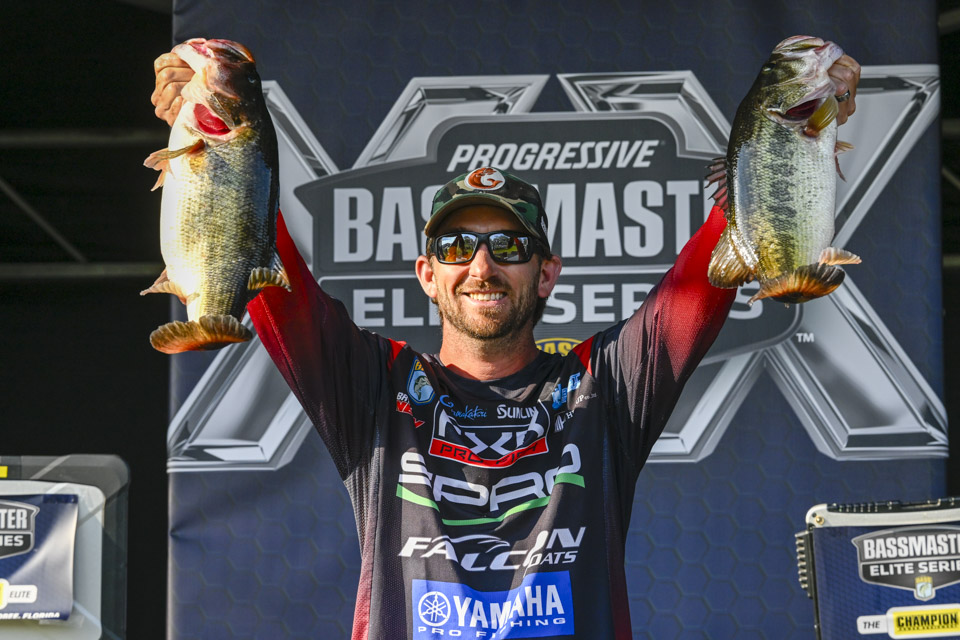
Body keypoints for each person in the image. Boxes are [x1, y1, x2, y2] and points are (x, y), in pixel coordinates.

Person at [153, 45, 860, 640]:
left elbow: (703, 277)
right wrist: (216, 138)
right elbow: (263, 261)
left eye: (510, 246)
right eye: (457, 246)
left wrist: (794, 128)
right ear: (428, 274)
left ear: (547, 272)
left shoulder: (603, 385)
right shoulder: (373, 384)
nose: (482, 266)